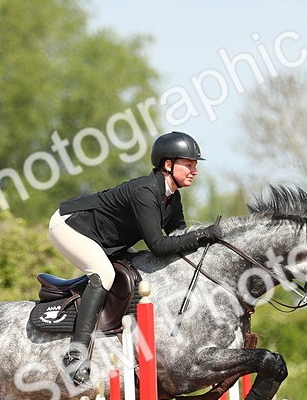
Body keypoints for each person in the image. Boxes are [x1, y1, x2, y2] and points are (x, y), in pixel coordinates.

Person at [48, 131, 223, 385]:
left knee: (138, 270)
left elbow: (178, 237)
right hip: (70, 226)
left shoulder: (172, 198)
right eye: (189, 165)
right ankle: (76, 354)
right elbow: (160, 245)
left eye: (195, 165)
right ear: (168, 164)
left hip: (104, 239)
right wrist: (203, 235)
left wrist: (207, 244)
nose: (194, 171)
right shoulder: (145, 192)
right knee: (104, 275)